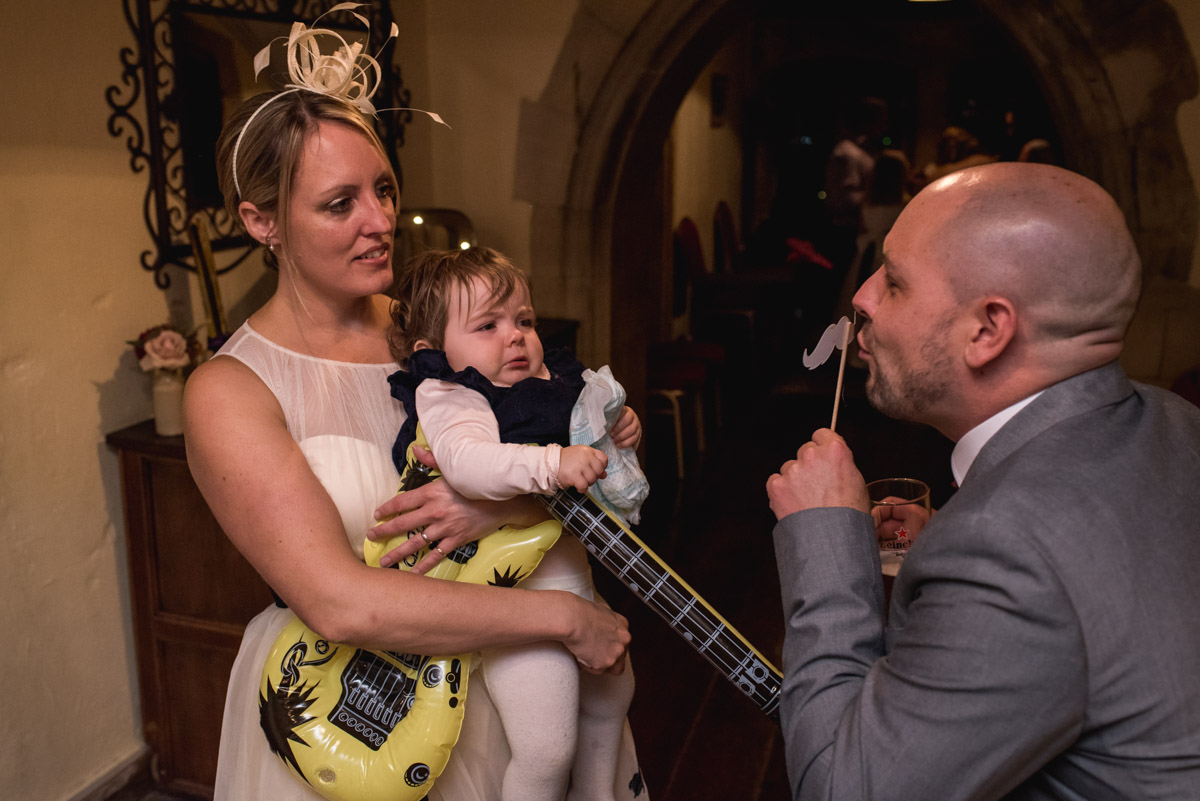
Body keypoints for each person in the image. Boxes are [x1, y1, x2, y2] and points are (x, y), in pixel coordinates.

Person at [183, 44, 641, 801]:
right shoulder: (230, 390)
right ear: (261, 220)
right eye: (341, 203)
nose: (382, 220)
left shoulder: (437, 333)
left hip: (502, 673)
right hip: (358, 705)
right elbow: (340, 601)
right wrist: (561, 617)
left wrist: (514, 493)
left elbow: (560, 453)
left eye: (384, 190)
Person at [766, 162, 1200, 799]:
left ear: (989, 330)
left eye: (895, 280)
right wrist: (951, 541)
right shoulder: (1175, 420)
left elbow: (843, 787)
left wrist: (825, 533)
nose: (861, 297)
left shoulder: (1006, 549)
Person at [385, 245, 647, 801]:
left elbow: (590, 430)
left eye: (524, 320)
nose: (516, 336)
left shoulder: (546, 379)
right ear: (434, 350)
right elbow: (470, 464)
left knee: (611, 701)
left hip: (575, 586)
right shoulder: (455, 393)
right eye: (488, 324)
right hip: (514, 604)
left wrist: (621, 428)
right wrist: (552, 463)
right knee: (547, 746)